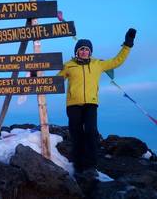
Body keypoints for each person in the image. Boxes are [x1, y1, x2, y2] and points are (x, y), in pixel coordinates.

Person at [57, 28, 137, 177]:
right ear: (77, 51)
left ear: (90, 52)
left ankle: (91, 166)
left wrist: (127, 45)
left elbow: (117, 61)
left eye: (87, 49)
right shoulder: (68, 65)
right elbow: (56, 81)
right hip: (73, 104)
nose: (84, 52)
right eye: (81, 49)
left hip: (91, 104)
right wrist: (37, 76)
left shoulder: (97, 64)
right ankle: (78, 166)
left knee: (91, 132)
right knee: (76, 134)